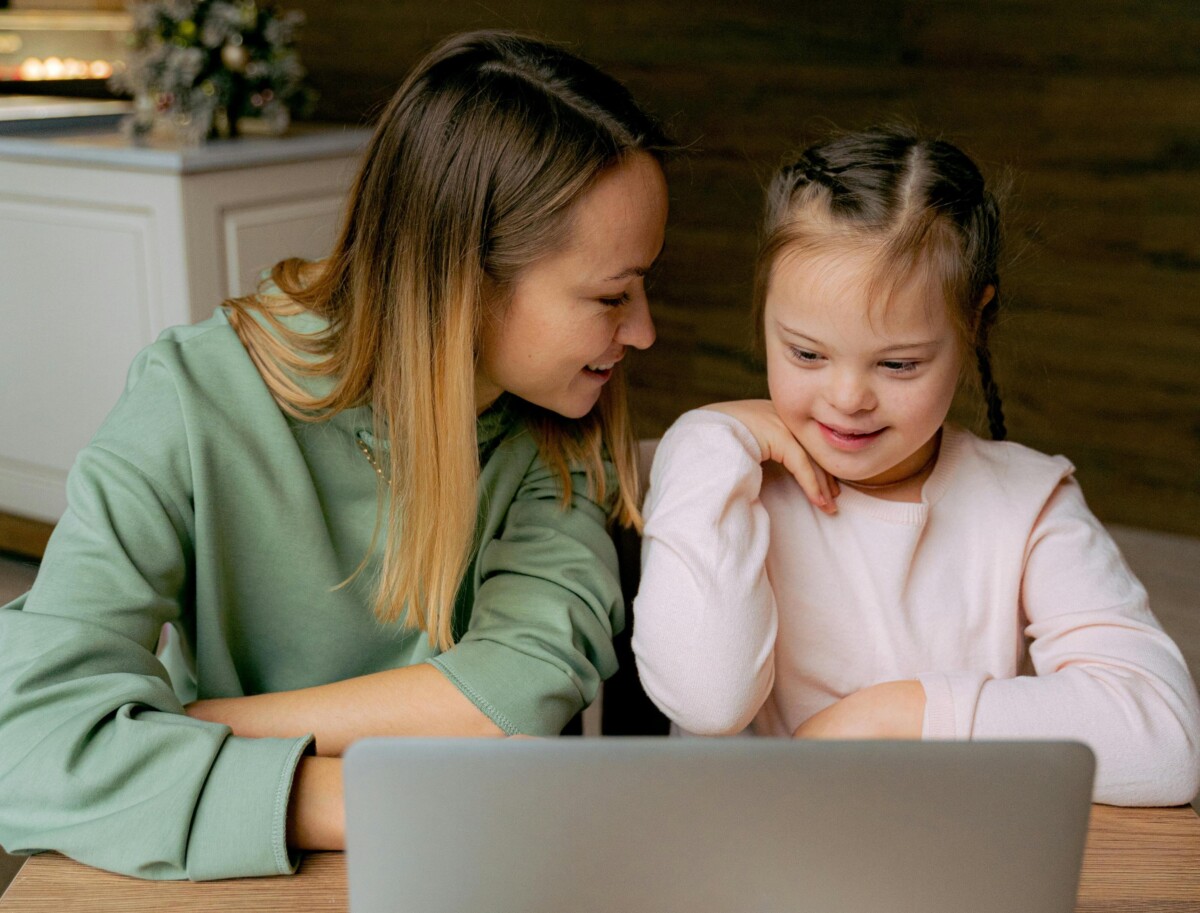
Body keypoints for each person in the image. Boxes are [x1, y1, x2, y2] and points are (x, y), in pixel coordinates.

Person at [0, 30, 671, 879]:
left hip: (449, 863)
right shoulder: (194, 396)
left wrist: (196, 724)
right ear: (466, 282)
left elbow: (519, 694)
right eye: (613, 295)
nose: (644, 331)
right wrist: (346, 798)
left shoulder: (562, 427)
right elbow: (23, 743)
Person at [631, 127, 1200, 806]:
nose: (847, 398)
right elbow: (707, 699)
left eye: (898, 363)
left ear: (973, 323)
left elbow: (1167, 745)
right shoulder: (722, 475)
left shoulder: (1027, 501)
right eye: (807, 353)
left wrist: (897, 715)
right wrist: (703, 436)